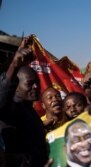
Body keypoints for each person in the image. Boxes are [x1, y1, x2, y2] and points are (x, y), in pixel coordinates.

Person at [0, 37, 49, 166]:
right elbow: (2, 97)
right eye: (30, 83)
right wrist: (14, 65)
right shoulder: (11, 107)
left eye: (37, 83)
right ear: (16, 88)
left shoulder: (30, 111)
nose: (36, 87)